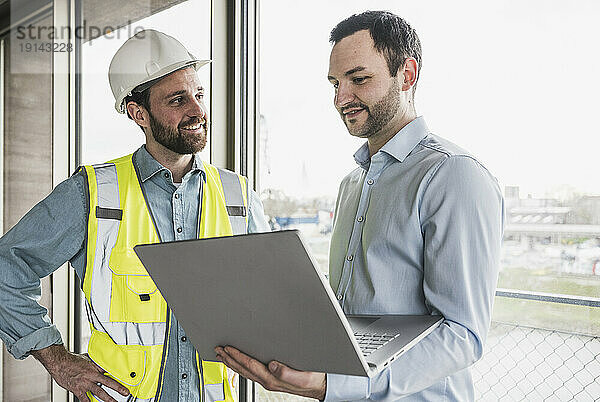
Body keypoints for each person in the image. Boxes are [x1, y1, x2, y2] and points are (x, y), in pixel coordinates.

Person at [215, 10, 504, 401]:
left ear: (407, 74)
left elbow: (462, 335)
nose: (340, 98)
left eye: (359, 79)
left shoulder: (453, 176)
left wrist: (335, 385)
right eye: (335, 83)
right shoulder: (351, 184)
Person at [0, 29, 268, 402]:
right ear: (138, 113)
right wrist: (58, 361)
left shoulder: (238, 196)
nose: (197, 110)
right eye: (178, 99)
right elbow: (5, 268)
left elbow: (271, 297)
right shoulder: (92, 194)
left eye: (199, 94)